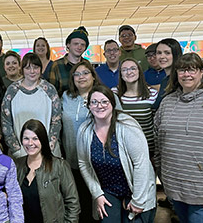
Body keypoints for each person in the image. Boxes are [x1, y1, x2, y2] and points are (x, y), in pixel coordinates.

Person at [154, 53, 203, 222]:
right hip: (175, 189)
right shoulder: (167, 102)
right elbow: (158, 143)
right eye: (182, 70)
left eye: (192, 70)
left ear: (202, 72)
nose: (187, 74)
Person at [77, 85, 156, 222]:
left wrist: (138, 200)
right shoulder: (85, 130)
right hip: (108, 190)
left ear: (112, 104)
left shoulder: (128, 126)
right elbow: (83, 163)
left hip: (135, 191)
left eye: (104, 101)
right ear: (89, 106)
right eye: (94, 102)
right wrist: (97, 194)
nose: (99, 106)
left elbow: (141, 164)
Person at [62, 60, 122, 222]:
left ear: (93, 76)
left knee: (101, 205)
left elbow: (120, 125)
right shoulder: (66, 97)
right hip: (73, 160)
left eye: (85, 73)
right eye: (77, 74)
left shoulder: (106, 96)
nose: (81, 77)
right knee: (81, 202)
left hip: (100, 161)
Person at [16, 119, 80, 222]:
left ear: (43, 140)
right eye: (26, 138)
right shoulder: (17, 165)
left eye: (35, 138)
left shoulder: (59, 166)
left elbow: (72, 203)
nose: (30, 143)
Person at [1, 52, 62, 159]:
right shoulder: (12, 90)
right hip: (21, 153)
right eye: (28, 68)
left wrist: (49, 146)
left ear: (41, 69)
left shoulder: (49, 90)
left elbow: (56, 122)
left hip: (48, 152)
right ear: (22, 70)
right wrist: (16, 150)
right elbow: (6, 123)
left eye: (36, 67)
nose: (32, 71)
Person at [154, 38, 203, 109]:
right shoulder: (165, 80)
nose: (162, 56)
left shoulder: (184, 79)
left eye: (167, 53)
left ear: (176, 54)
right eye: (159, 53)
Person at [114, 58, 158, 159]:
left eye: (133, 68)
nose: (129, 72)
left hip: (148, 147)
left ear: (139, 71)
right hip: (123, 147)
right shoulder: (114, 93)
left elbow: (156, 123)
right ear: (120, 74)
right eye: (124, 70)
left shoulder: (152, 94)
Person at [49, 26, 90, 96]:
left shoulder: (87, 64)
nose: (79, 47)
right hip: (63, 105)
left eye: (82, 45)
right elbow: (52, 92)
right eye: (76, 44)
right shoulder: (57, 65)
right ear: (68, 45)